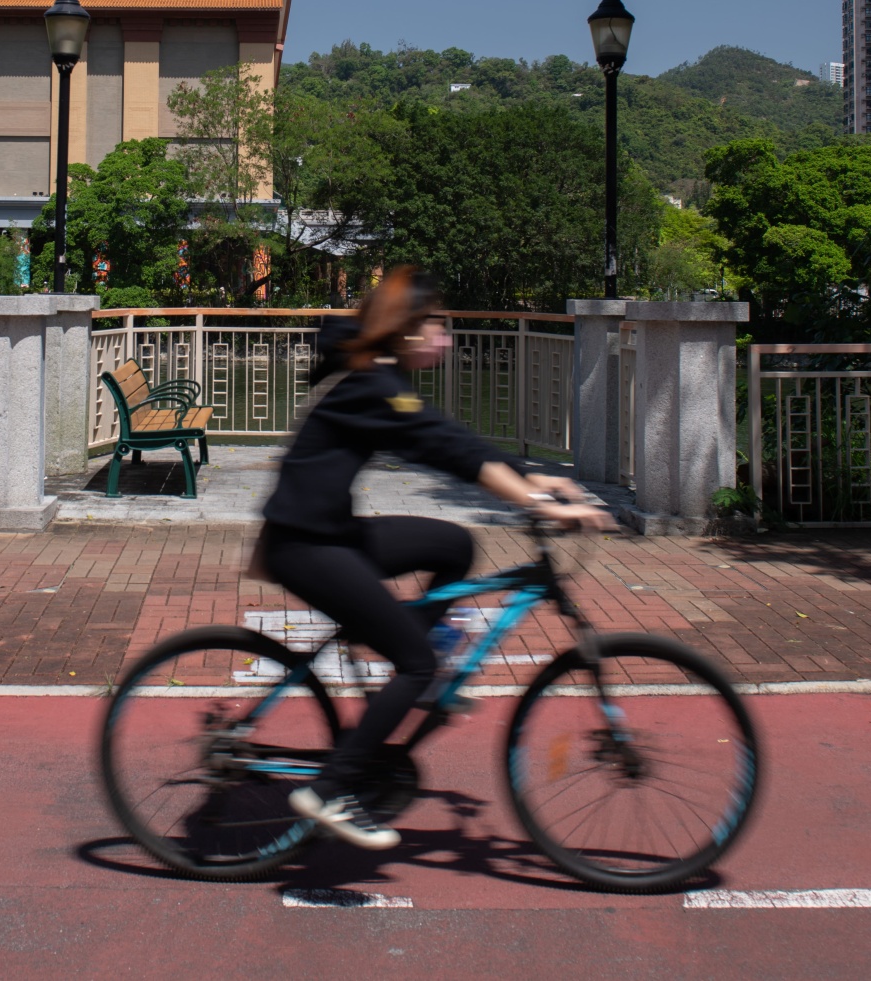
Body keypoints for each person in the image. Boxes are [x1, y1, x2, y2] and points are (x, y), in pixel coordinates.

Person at [259, 267, 613, 850]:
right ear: (405, 331)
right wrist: (536, 501)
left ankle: (410, 663)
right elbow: (447, 448)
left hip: (332, 533)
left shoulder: (384, 378)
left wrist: (538, 477)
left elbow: (451, 440)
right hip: (306, 547)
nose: (445, 340)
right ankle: (329, 790)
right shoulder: (372, 385)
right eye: (436, 327)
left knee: (453, 544)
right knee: (418, 661)